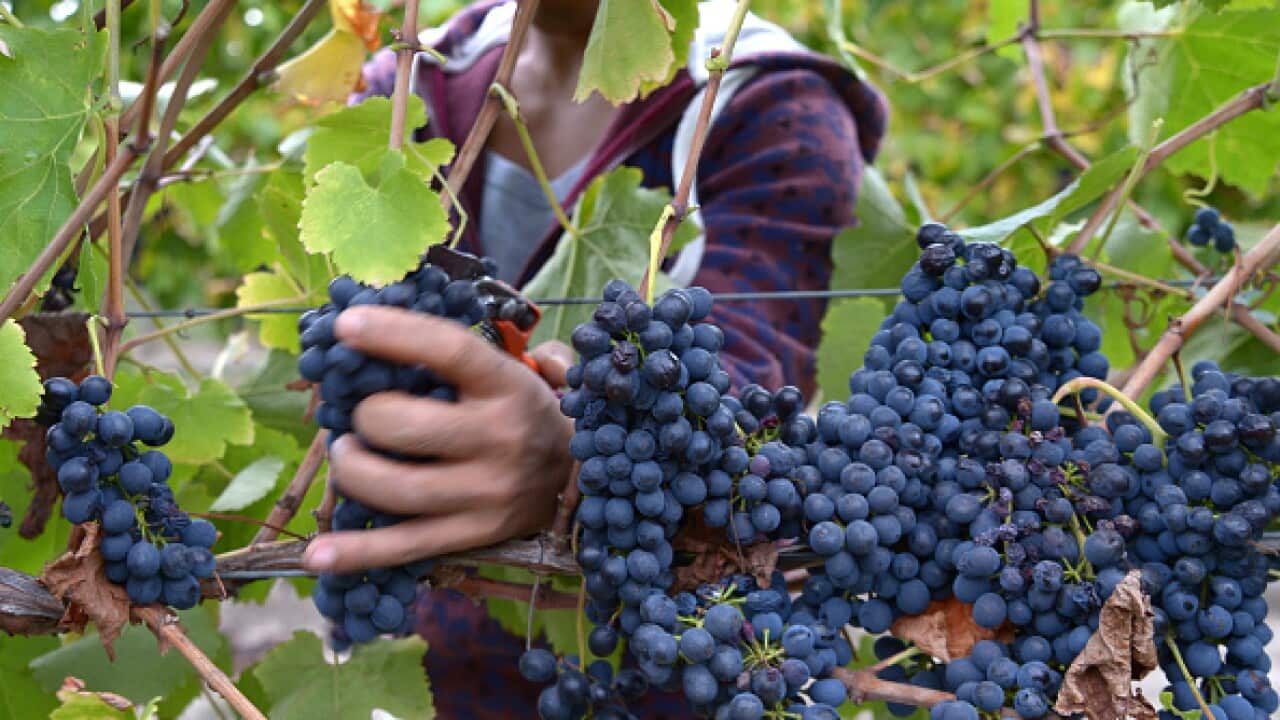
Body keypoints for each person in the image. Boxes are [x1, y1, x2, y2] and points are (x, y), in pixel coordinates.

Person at [300, 0, 886, 715]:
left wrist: (572, 457)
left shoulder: (772, 104)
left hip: (664, 667)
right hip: (428, 666)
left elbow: (747, 396)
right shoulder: (406, 89)